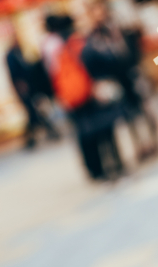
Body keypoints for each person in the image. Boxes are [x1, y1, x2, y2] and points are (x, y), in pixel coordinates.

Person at [44, 14, 123, 181]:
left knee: (86, 136)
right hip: (93, 94)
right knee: (106, 132)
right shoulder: (81, 43)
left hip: (73, 98)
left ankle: (97, 170)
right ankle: (115, 166)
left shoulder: (56, 48)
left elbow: (52, 74)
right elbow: (104, 61)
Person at [85, 2, 158, 160]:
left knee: (146, 110)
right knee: (129, 116)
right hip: (118, 80)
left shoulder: (119, 28)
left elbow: (133, 47)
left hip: (132, 74)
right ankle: (140, 145)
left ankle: (153, 140)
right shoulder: (94, 37)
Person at [5, 41, 61, 149]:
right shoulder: (12, 56)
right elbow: (16, 73)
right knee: (33, 115)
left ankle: (34, 139)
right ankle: (41, 136)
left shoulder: (19, 54)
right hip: (24, 90)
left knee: (33, 114)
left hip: (28, 89)